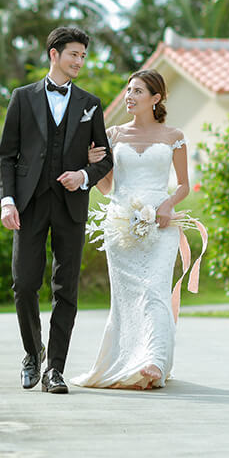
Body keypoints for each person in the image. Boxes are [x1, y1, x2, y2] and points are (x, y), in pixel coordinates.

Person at [0, 26, 114, 393]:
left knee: (66, 289)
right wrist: (7, 200)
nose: (79, 61)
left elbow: (105, 159)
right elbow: (6, 155)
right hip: (28, 204)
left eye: (83, 56)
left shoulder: (91, 104)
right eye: (73, 55)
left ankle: (55, 370)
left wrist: (83, 174)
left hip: (71, 206)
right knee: (24, 283)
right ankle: (33, 355)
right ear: (54, 54)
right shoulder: (21, 97)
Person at [72, 69, 190, 390]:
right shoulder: (112, 136)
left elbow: (183, 186)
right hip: (121, 223)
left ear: (156, 98)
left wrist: (167, 205)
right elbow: (109, 188)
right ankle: (129, 360)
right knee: (126, 298)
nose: (129, 96)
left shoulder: (174, 137)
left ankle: (153, 360)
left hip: (161, 223)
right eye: (128, 90)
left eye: (138, 91)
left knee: (154, 291)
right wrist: (91, 165)